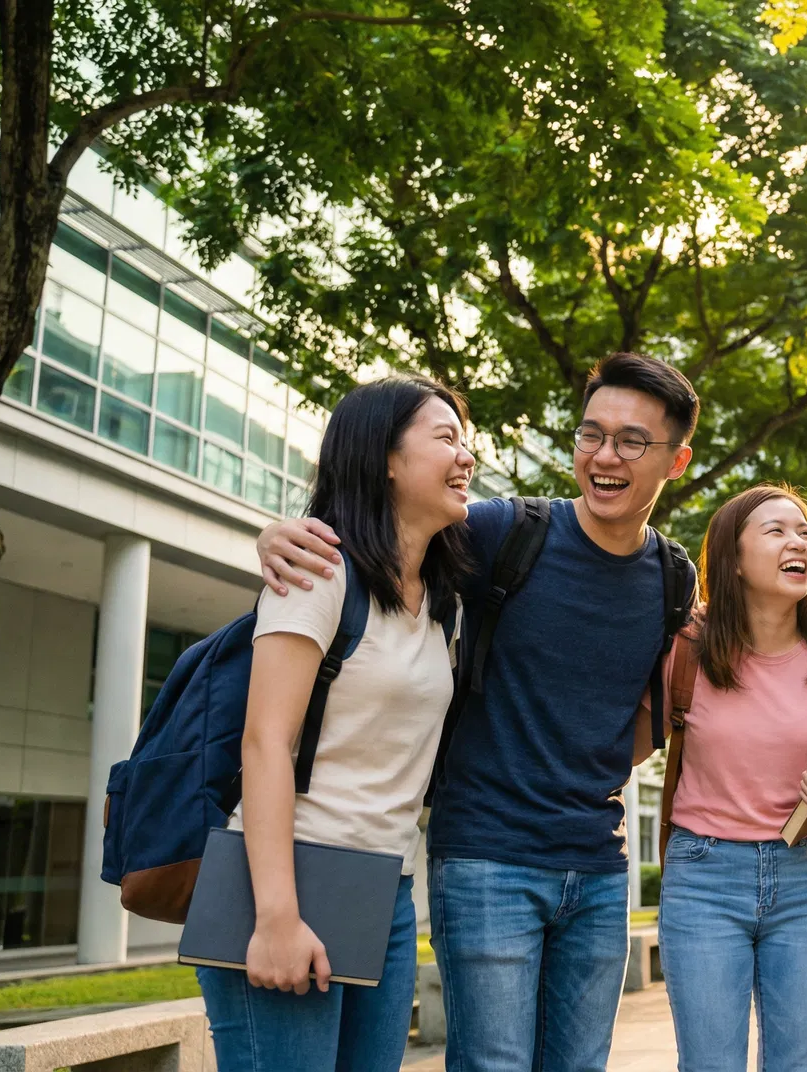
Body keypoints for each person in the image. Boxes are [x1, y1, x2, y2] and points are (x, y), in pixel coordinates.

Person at [254, 353, 700, 1072]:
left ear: (675, 460)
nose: (604, 456)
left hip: (598, 864)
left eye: (631, 442)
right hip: (485, 855)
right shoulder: (503, 532)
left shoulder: (675, 578)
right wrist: (275, 536)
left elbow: (640, 726)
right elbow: (376, 534)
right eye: (591, 435)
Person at [202, 375, 474, 1071]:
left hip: (383, 890)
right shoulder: (321, 574)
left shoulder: (443, 605)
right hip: (290, 877)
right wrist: (276, 917)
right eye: (445, 438)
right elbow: (265, 742)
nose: (466, 456)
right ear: (384, 456)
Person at [640, 483, 807, 1072]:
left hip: (806, 878)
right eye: (775, 531)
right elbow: (620, 743)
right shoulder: (684, 651)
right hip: (703, 879)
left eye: (804, 531)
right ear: (733, 559)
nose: (798, 541)